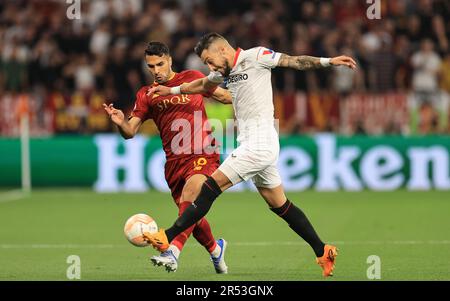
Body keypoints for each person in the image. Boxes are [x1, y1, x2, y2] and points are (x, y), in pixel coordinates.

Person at [145, 33, 357, 277]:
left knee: (209, 188)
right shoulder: (221, 73)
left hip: (260, 143)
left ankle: (167, 237)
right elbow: (203, 85)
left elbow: (294, 61)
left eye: (209, 60)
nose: (209, 67)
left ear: (222, 49)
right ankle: (323, 250)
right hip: (252, 144)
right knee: (280, 205)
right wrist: (171, 90)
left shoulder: (256, 56)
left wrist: (329, 61)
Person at [103, 41, 232, 273]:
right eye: (150, 66)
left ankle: (171, 251)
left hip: (204, 153)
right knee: (191, 213)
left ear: (170, 60)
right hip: (174, 163)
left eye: (160, 64)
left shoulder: (191, 77)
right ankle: (216, 249)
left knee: (193, 194)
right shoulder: (146, 94)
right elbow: (130, 132)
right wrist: (120, 122)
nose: (156, 70)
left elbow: (225, 97)